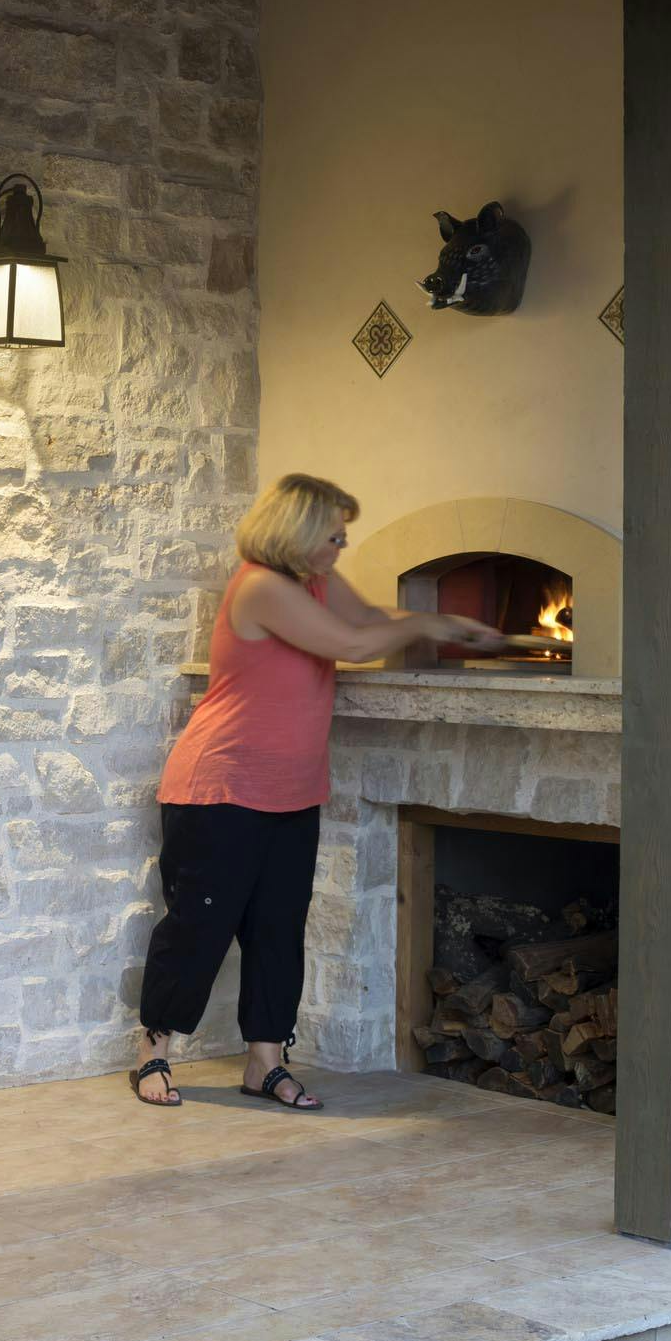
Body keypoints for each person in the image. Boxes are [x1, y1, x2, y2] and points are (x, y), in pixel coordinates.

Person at [128, 474, 502, 1110]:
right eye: (334, 534)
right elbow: (352, 643)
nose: (342, 544)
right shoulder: (261, 585)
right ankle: (152, 1051)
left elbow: (368, 618)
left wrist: (443, 626)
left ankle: (265, 1065)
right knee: (200, 928)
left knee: (278, 930)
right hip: (219, 786)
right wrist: (432, 623)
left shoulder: (313, 581)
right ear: (298, 532)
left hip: (292, 791)